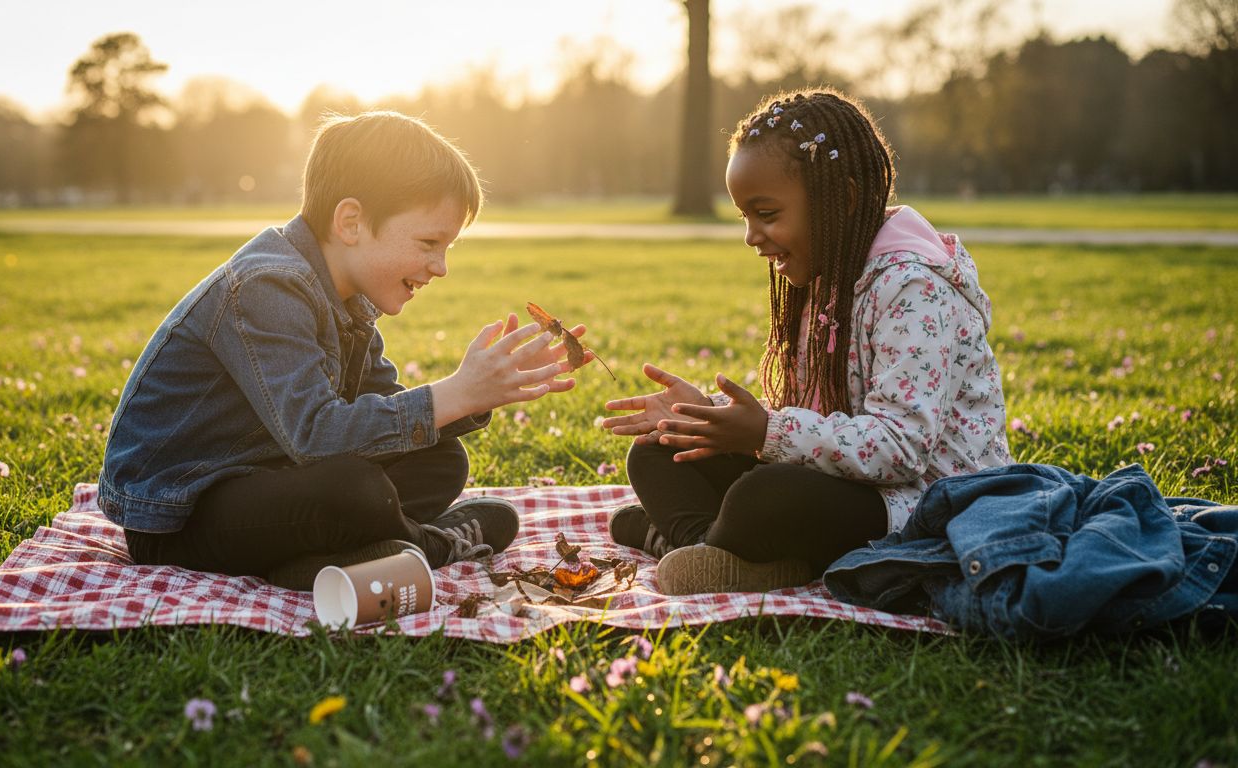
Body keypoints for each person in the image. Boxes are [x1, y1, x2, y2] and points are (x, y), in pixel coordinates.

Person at [98, 111, 587, 589]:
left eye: (448, 249)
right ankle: (433, 544)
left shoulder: (348, 300)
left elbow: (379, 419)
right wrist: (455, 392)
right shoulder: (266, 286)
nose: (439, 267)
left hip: (271, 478)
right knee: (355, 491)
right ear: (350, 222)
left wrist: (479, 395)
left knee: (441, 459)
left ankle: (314, 565)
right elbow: (316, 435)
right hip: (181, 515)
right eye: (429, 242)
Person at [601, 89, 1011, 595]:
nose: (751, 236)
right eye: (744, 217)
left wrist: (763, 433)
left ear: (844, 199)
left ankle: (703, 545)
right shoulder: (822, 274)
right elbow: (814, 417)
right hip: (850, 481)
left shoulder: (915, 286)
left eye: (767, 214)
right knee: (659, 448)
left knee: (764, 497)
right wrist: (710, 415)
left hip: (924, 499)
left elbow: (902, 449)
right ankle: (709, 549)